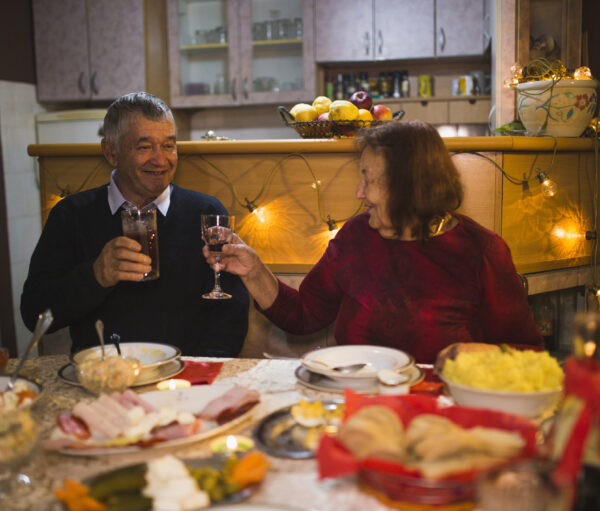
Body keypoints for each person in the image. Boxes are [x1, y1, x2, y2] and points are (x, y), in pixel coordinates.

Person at [205, 120, 543, 364]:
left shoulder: (481, 251)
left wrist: (482, 354)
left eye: (369, 179)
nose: (358, 192)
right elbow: (303, 315)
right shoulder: (355, 236)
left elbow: (531, 353)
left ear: (410, 187)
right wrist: (254, 271)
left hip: (439, 412)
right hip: (359, 402)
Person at [21, 92, 249, 356]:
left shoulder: (206, 212)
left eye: (168, 145)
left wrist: (200, 374)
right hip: (104, 377)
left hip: (184, 380)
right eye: (144, 147)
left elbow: (232, 314)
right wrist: (95, 277)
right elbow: (34, 315)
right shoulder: (71, 214)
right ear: (110, 152)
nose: (161, 160)